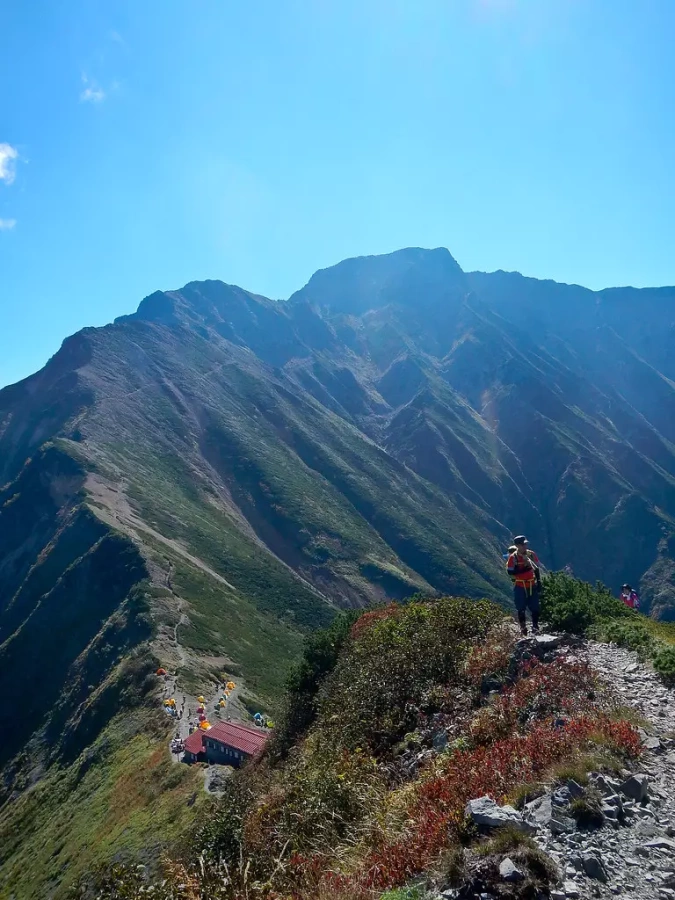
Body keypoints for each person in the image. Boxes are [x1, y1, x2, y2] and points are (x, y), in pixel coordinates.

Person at [506, 535, 541, 636]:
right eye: (523, 544)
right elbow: (510, 571)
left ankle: (535, 627)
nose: (525, 546)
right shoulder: (513, 557)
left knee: (535, 607)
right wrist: (523, 570)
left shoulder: (531, 555)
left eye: (525, 544)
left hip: (531, 584)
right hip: (520, 585)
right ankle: (523, 628)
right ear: (517, 545)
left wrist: (539, 582)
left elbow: (536, 568)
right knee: (521, 608)